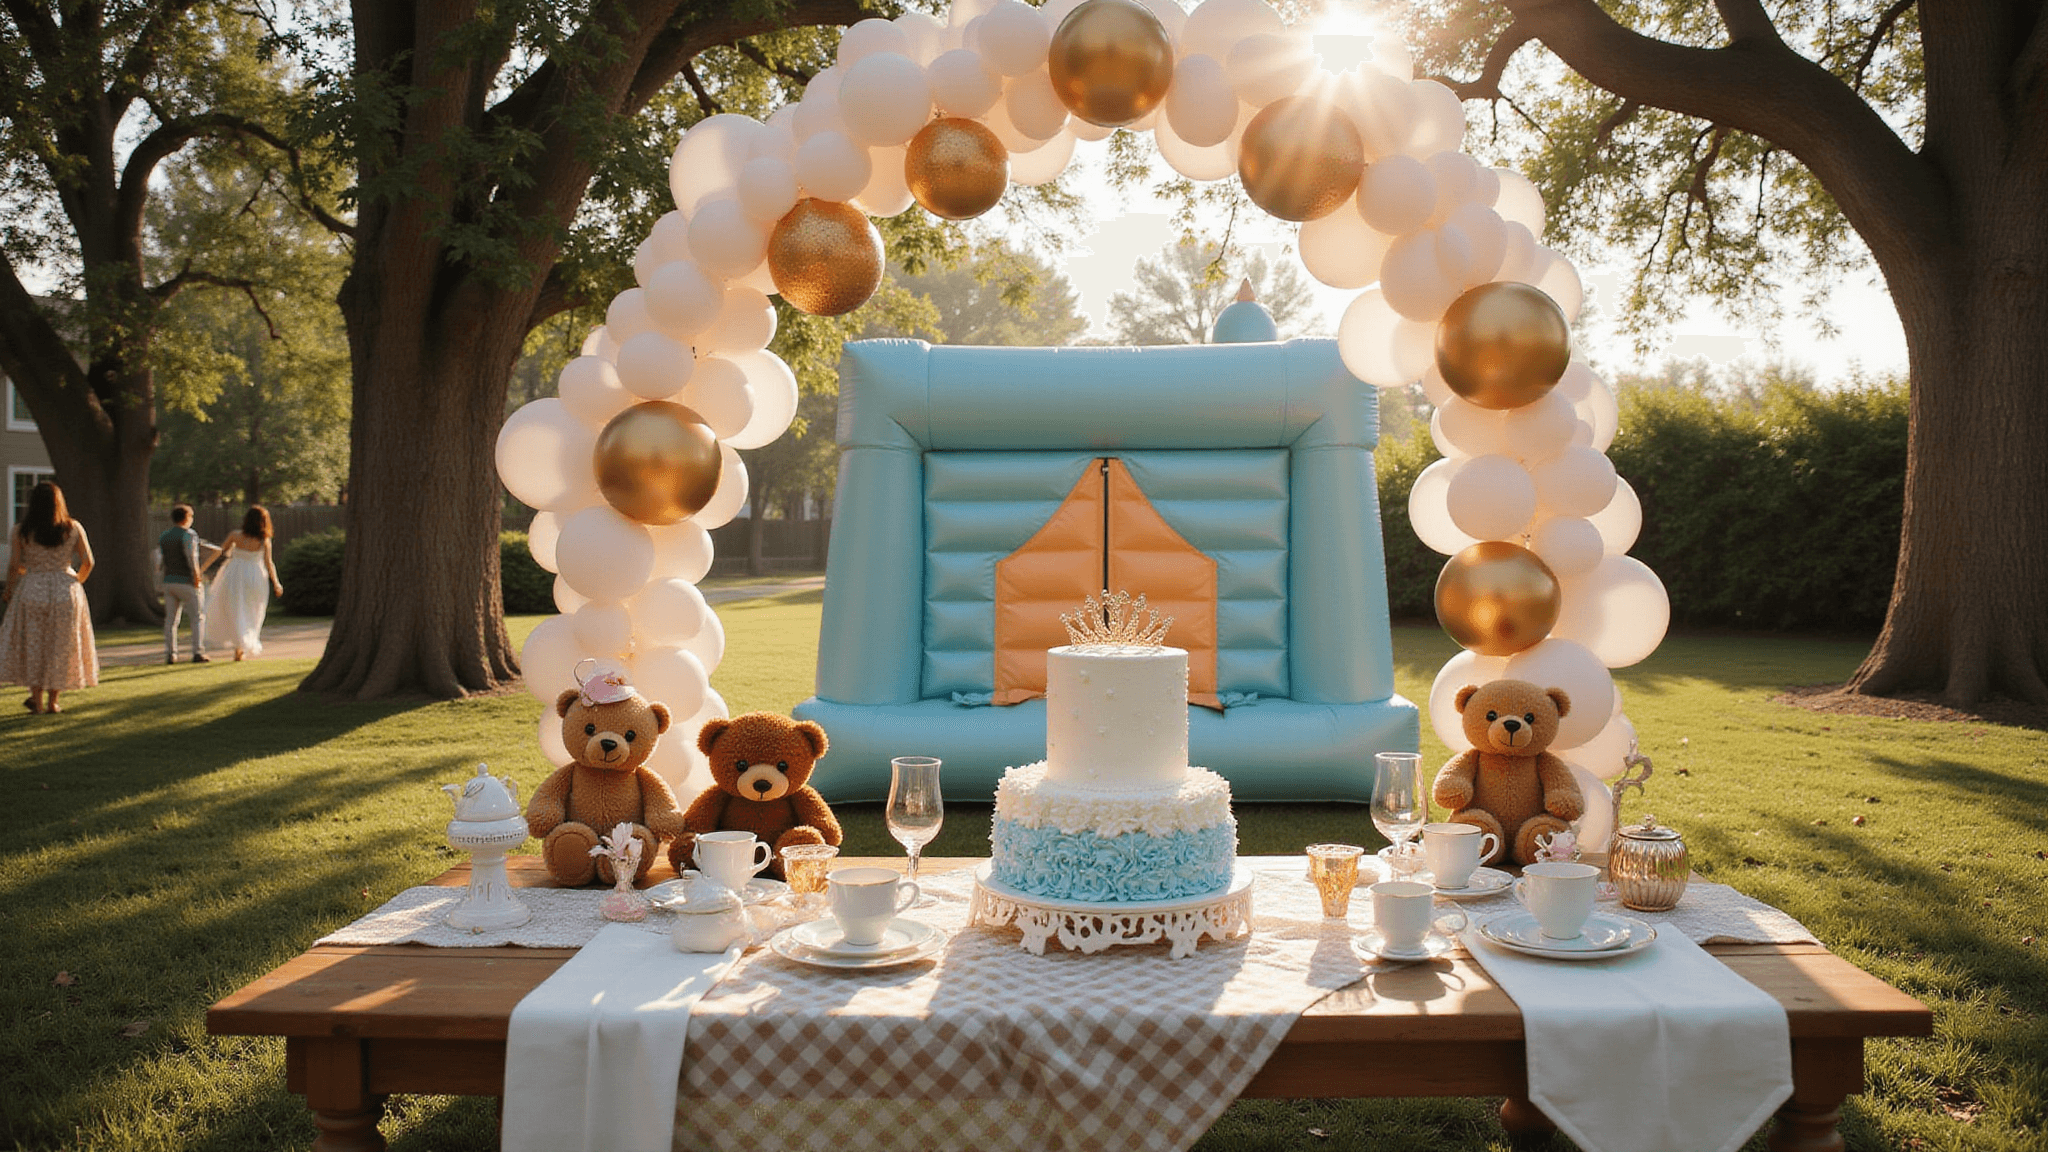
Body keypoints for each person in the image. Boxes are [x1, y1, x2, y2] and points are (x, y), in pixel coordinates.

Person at [0, 481, 98, 713]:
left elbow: (15, 565)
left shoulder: (21, 530)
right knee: (60, 646)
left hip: (33, 589)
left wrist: (9, 590)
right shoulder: (72, 528)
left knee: (34, 645)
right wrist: (75, 582)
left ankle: (36, 699)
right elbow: (88, 562)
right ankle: (54, 701)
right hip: (65, 590)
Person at [206, 505, 285, 661]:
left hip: (234, 574)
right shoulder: (264, 540)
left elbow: (220, 552)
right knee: (252, 610)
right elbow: (269, 563)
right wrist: (276, 582)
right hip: (255, 576)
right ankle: (242, 644)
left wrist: (204, 566)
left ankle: (239, 645)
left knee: (235, 609)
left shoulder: (235, 535)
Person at [159, 504, 217, 664]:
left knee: (171, 621)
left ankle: (171, 653)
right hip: (186, 581)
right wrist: (197, 576)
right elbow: (191, 556)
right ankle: (198, 652)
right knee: (197, 617)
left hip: (169, 581)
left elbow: (160, 560)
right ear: (186, 518)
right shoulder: (189, 534)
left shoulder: (164, 536)